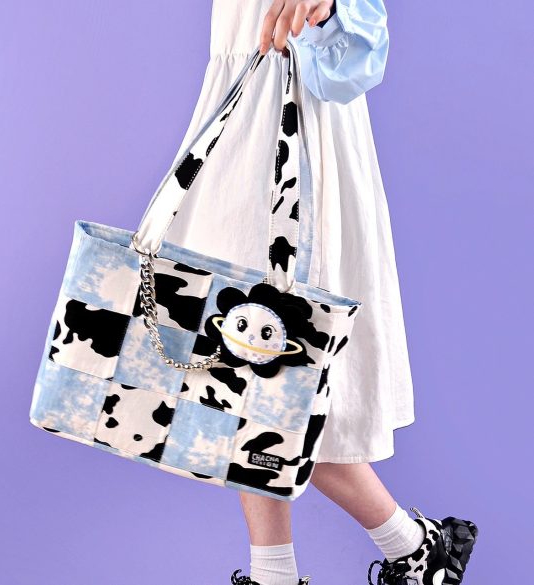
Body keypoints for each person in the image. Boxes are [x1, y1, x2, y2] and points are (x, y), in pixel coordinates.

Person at [163, 1, 479, 584]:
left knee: (281, 365)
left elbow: (347, 53)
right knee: (239, 367)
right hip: (239, 113)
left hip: (300, 130)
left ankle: (387, 554)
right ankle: (407, 551)